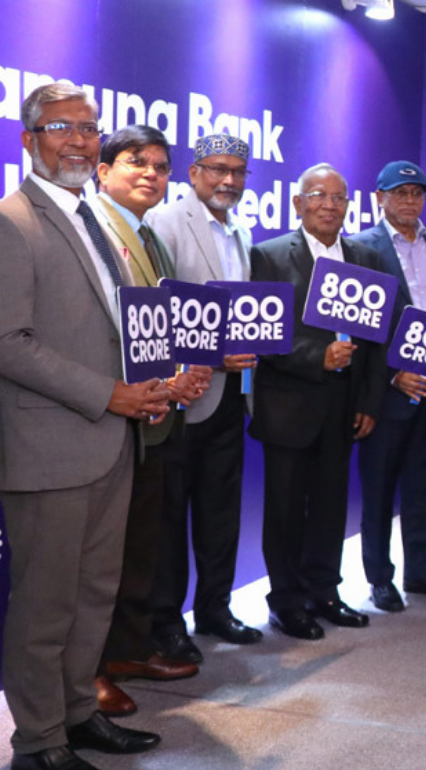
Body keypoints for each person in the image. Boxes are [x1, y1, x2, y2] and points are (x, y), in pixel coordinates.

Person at [0, 82, 169, 770]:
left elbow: (109, 327)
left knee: (94, 595)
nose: (77, 139)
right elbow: (8, 343)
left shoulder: (92, 218)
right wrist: (109, 394)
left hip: (110, 443)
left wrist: (154, 383)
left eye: (88, 128)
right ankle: (38, 742)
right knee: (45, 606)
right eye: (60, 127)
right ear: (28, 139)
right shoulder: (12, 221)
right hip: (49, 450)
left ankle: (76, 714)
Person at [91, 125, 211, 718]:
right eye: (136, 162)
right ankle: (90, 671)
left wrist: (179, 377)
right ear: (103, 170)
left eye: (161, 167)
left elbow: (157, 328)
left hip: (154, 418)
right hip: (108, 420)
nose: (150, 174)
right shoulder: (92, 229)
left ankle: (128, 651)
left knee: (141, 547)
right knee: (102, 559)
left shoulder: (150, 236)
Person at [249, 163, 385, 640]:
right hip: (289, 405)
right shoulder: (268, 256)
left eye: (338, 197)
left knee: (331, 506)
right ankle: (286, 602)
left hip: (344, 407)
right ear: (298, 203)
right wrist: (316, 356)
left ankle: (324, 592)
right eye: (318, 196)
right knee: (285, 511)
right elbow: (263, 334)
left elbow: (377, 341)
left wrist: (369, 401)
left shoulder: (367, 258)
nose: (329, 205)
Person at [146, 133, 262, 663]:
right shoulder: (165, 223)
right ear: (193, 173)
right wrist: (214, 359)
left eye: (237, 171)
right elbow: (156, 315)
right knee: (170, 518)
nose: (228, 180)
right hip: (182, 398)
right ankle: (167, 622)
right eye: (218, 169)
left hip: (232, 397)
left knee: (220, 513)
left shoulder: (241, 229)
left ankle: (216, 608)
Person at [352, 160, 426, 613]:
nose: (410, 200)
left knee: (424, 482)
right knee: (379, 486)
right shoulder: (361, 247)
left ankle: (420, 571)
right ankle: (380, 578)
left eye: (417, 193)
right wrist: (391, 374)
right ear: (380, 198)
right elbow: (360, 326)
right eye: (400, 193)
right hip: (391, 386)